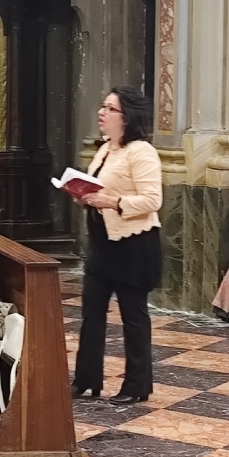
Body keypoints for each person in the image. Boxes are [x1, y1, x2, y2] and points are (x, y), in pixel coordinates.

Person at [71, 87, 163, 406]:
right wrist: (83, 193)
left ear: (126, 117)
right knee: (91, 314)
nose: (102, 112)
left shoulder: (141, 151)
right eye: (103, 106)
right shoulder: (107, 149)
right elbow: (98, 186)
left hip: (134, 246)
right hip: (102, 246)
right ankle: (86, 380)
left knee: (133, 318)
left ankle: (137, 385)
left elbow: (153, 200)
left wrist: (112, 201)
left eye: (109, 108)